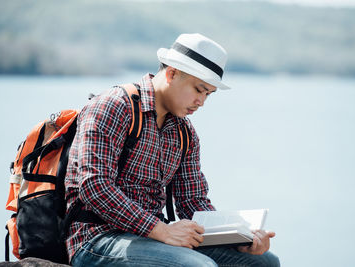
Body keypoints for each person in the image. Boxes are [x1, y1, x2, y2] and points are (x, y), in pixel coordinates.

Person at [65, 33, 280, 267]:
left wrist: (239, 238)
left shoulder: (185, 133)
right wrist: (160, 230)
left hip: (155, 239)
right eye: (199, 90)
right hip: (97, 240)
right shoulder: (114, 106)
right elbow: (95, 186)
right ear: (172, 73)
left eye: (208, 94)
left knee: (264, 262)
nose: (202, 101)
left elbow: (193, 202)